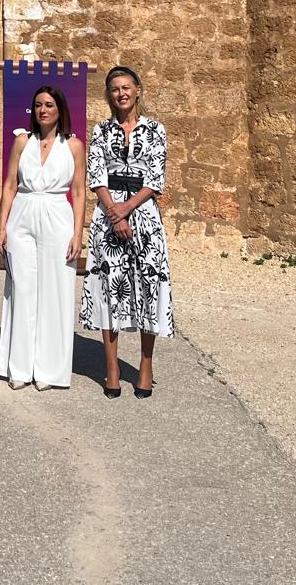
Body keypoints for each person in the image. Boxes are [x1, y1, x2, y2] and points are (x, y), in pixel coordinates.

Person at [79, 66, 174, 399]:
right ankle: (113, 368)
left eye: (126, 87)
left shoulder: (155, 130)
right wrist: (114, 212)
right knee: (109, 290)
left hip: (144, 214)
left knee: (148, 286)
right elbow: (96, 175)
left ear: (138, 90)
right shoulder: (101, 130)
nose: (120, 93)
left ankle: (145, 365)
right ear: (109, 94)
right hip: (108, 214)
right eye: (114, 89)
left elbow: (155, 178)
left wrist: (127, 208)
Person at [0, 85, 87, 390]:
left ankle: (48, 369)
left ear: (60, 109)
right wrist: (1, 226)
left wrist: (77, 233)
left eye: (48, 105)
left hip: (57, 216)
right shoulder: (22, 141)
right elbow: (9, 185)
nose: (43, 110)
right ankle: (19, 366)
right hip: (23, 214)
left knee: (54, 291)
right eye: (38, 105)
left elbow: (78, 191)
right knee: (21, 287)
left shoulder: (73, 146)